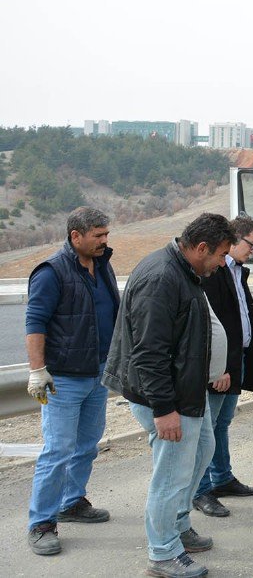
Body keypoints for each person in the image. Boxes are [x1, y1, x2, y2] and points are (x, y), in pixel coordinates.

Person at [103, 213, 236, 578]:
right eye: (222, 254)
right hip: (164, 398)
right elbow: (149, 353)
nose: (223, 262)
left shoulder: (184, 271)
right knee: (171, 475)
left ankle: (176, 525)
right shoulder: (162, 277)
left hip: (187, 392)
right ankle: (162, 552)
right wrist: (164, 411)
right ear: (201, 247)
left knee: (202, 450)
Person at [24, 207, 119, 556]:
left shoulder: (102, 265)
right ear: (75, 236)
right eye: (98, 235)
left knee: (87, 445)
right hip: (64, 378)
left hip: (97, 373)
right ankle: (41, 523)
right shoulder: (51, 272)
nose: (105, 241)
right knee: (57, 450)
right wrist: (38, 370)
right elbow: (35, 322)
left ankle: (72, 501)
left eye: (106, 234)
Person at [192, 216, 253, 518]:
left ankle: (222, 478)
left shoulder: (238, 272)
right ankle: (201, 490)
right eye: (250, 244)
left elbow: (245, 318)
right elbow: (207, 326)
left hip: (238, 361)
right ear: (233, 240)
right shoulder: (212, 273)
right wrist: (217, 367)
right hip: (219, 367)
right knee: (205, 429)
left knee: (221, 425)